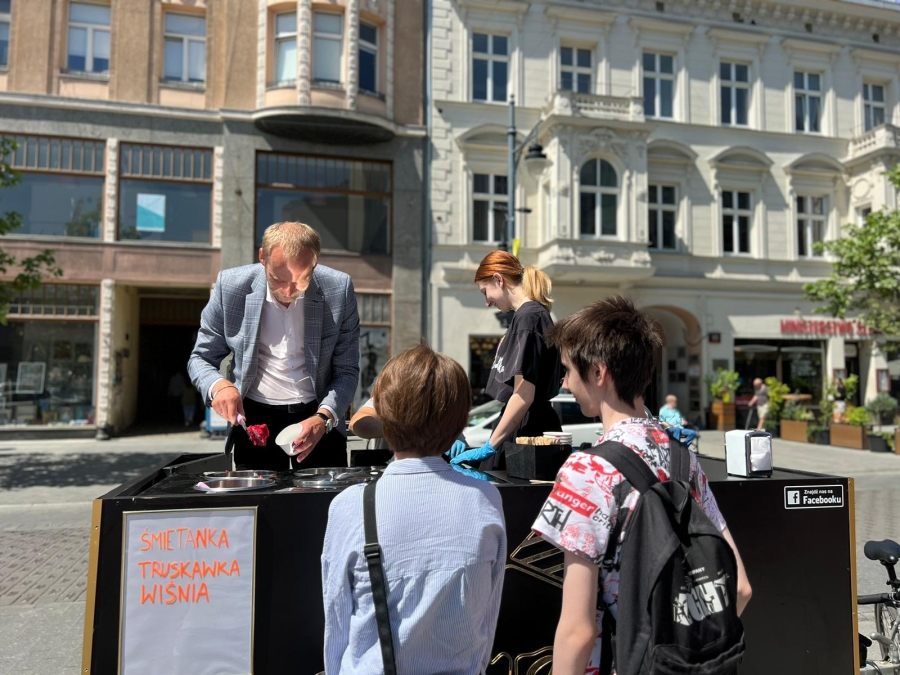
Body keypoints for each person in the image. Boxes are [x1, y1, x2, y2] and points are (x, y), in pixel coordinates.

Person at [530, 297, 752, 674]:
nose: (564, 382)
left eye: (567, 370)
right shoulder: (683, 458)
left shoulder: (588, 470)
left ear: (598, 372)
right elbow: (740, 587)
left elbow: (578, 632)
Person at [322, 345, 507, 674]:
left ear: (384, 415)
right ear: (460, 421)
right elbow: (487, 620)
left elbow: (336, 624)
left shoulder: (350, 505)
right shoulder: (485, 498)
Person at [188, 221, 360, 470]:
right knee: (259, 496)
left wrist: (324, 417)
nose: (289, 291)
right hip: (254, 415)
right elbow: (201, 358)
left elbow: (347, 370)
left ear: (315, 262)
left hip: (318, 413)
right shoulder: (231, 287)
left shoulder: (338, 289)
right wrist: (219, 387)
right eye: (278, 279)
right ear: (263, 257)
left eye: (301, 280)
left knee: (322, 495)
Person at [449, 251, 562, 468]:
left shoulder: (529, 318)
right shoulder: (528, 317)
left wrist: (489, 446)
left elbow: (523, 394)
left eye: (485, 292)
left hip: (527, 432)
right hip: (525, 427)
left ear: (498, 280)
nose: (487, 302)